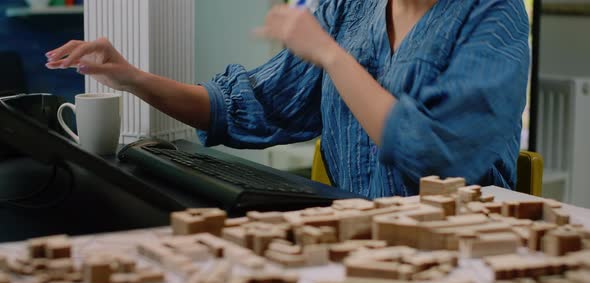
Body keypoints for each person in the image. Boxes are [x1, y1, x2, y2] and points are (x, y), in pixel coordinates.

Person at [46, 0, 530, 198]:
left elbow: (432, 154)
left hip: (460, 261)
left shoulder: (494, 15)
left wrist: (328, 54)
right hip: (357, 254)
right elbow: (246, 106)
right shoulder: (350, 8)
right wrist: (130, 77)